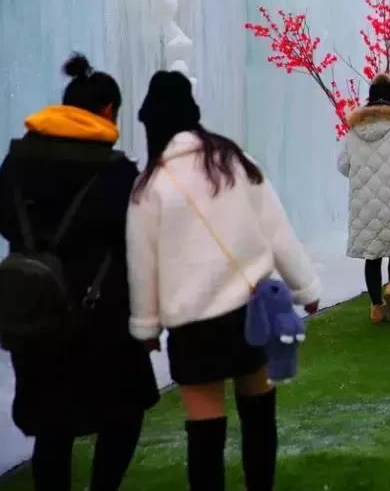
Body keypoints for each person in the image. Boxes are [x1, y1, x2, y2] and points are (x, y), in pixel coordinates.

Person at [126, 70, 320, 491]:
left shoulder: (149, 187)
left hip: (191, 326)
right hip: (247, 313)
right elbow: (277, 229)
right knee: (258, 413)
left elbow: (143, 266)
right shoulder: (234, 160)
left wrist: (145, 327)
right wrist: (306, 289)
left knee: (204, 430)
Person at [0, 54, 159, 491]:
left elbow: (4, 217)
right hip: (100, 320)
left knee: (52, 423)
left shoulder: (16, 160)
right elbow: (136, 242)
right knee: (123, 411)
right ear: (107, 111)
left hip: (33, 311)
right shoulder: (115, 173)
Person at [338, 74, 390, 323]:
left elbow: (344, 166)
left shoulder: (354, 133)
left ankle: (376, 306)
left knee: (372, 256)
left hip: (363, 204)